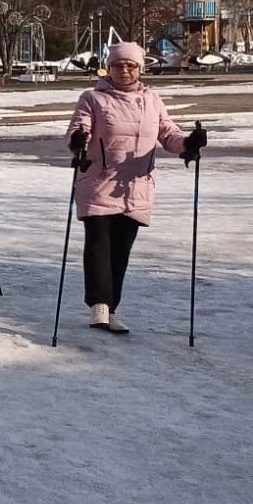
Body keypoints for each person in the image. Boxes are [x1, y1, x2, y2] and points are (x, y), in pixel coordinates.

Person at [65, 41, 205, 335]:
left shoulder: (152, 100)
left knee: (120, 251)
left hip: (136, 186)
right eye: (118, 65)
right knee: (99, 246)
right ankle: (99, 307)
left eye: (130, 65)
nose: (124, 70)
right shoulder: (93, 98)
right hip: (98, 182)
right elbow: (80, 126)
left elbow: (168, 133)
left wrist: (189, 143)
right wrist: (78, 139)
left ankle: (111, 308)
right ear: (109, 68)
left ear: (140, 68)